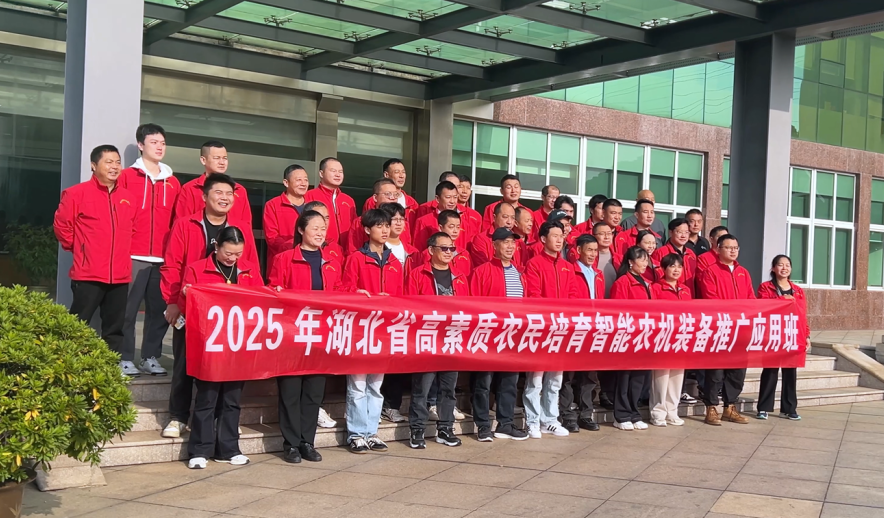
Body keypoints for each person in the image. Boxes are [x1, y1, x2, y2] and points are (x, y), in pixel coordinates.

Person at [160, 173, 259, 439]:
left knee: (225, 367)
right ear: (204, 196)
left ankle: (221, 419)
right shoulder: (185, 224)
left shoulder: (241, 228)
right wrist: (173, 301)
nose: (224, 198)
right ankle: (178, 416)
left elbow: (251, 267)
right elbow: (172, 265)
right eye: (218, 192)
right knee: (184, 363)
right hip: (191, 309)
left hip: (231, 316)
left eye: (229, 194)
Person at [181, 226, 263, 469]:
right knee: (207, 398)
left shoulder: (249, 270)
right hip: (210, 344)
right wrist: (186, 295)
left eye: (238, 254)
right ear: (216, 246)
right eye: (228, 253)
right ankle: (199, 450)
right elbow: (185, 305)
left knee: (232, 399)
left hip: (238, 343)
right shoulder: (197, 269)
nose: (232, 258)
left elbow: (261, 299)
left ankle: (228, 449)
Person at [54, 144, 136, 377]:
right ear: (93, 165)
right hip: (88, 273)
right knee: (78, 323)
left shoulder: (128, 198)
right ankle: (69, 367)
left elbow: (133, 230)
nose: (114, 166)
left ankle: (110, 369)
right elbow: (62, 227)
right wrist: (81, 249)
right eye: (108, 162)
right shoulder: (76, 194)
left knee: (114, 328)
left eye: (118, 162)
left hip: (119, 275)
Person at [268, 211, 341, 464]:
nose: (320, 233)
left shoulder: (331, 261)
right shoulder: (284, 259)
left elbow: (340, 291)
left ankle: (307, 442)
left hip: (320, 334)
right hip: (292, 334)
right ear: (301, 230)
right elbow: (273, 289)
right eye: (315, 228)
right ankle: (290, 444)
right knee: (290, 391)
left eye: (323, 228)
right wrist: (276, 291)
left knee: (313, 392)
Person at [118, 124, 179, 376]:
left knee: (159, 311)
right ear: (141, 145)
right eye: (154, 142)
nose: (159, 147)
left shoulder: (173, 182)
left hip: (163, 258)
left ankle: (150, 357)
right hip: (133, 254)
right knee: (127, 311)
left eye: (162, 143)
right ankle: (124, 358)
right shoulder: (126, 177)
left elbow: (177, 220)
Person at [341, 209, 403, 453]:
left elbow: (402, 297)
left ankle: (371, 432)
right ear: (367, 230)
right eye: (379, 226)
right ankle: (356, 434)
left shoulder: (395, 261)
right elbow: (344, 289)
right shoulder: (356, 258)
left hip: (383, 331)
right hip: (360, 330)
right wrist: (358, 294)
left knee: (376, 386)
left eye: (387, 225)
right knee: (357, 385)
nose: (385, 230)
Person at [405, 232, 469, 448]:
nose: (449, 252)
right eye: (444, 248)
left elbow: (468, 309)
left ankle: (445, 429)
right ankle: (417, 430)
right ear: (431, 250)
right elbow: (410, 306)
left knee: (448, 389)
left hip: (451, 339)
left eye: (452, 248)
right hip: (427, 338)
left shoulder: (460, 276)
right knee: (422, 389)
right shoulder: (417, 274)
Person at [468, 228, 529, 442]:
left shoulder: (520, 273)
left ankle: (506, 424)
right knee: (483, 382)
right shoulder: (481, 271)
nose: (510, 246)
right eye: (505, 242)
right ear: (494, 245)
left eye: (513, 242)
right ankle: (483, 425)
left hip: (512, 336)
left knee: (509, 383)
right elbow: (473, 305)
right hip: (488, 336)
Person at [523, 221, 575, 438]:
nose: (559, 240)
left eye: (561, 236)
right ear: (543, 239)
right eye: (554, 236)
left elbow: (573, 296)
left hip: (561, 328)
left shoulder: (567, 266)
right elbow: (533, 294)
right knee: (535, 379)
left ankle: (550, 420)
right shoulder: (534, 264)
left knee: (555, 379)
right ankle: (532, 421)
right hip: (542, 328)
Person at [697, 234, 755, 426]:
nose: (733, 251)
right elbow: (710, 298)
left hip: (741, 329)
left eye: (735, 248)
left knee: (737, 371)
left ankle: (730, 407)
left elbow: (751, 299)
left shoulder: (743, 272)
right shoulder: (710, 271)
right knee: (716, 370)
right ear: (718, 249)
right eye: (728, 247)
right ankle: (711, 408)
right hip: (720, 327)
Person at [377, 203, 418, 424]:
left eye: (402, 219)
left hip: (405, 312)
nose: (399, 223)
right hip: (382, 313)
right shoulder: (377, 249)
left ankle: (391, 405)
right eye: (394, 220)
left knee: (398, 361)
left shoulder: (412, 251)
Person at [756, 254, 811, 421]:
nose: (784, 268)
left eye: (787, 265)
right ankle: (763, 408)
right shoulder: (765, 287)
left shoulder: (798, 290)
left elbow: (802, 315)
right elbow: (763, 306)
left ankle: (789, 408)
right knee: (770, 370)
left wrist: (806, 335)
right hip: (773, 333)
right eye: (780, 265)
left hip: (792, 334)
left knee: (790, 372)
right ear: (773, 268)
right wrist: (782, 299)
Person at [609, 246, 655, 431]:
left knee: (639, 379)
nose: (645, 263)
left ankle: (634, 413)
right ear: (630, 262)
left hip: (644, 336)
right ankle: (621, 415)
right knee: (625, 377)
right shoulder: (622, 283)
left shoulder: (647, 283)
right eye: (641, 259)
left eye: (646, 260)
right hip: (628, 337)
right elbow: (617, 312)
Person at [562, 234, 604, 432]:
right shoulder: (570, 270)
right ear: (578, 251)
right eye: (589, 250)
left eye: (595, 251)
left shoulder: (598, 274)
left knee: (589, 375)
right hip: (575, 327)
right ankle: (567, 414)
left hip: (593, 329)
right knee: (569, 375)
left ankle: (585, 414)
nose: (593, 254)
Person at [650, 254, 691, 427]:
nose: (676, 270)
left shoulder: (685, 289)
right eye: (672, 266)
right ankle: (658, 412)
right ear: (663, 268)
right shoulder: (656, 288)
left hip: (681, 336)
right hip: (663, 336)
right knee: (661, 375)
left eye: (679, 267)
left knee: (677, 375)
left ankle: (672, 411)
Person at [174, 141, 252, 225]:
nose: (222, 162)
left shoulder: (239, 190)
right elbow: (182, 223)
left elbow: (246, 225)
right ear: (203, 160)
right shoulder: (190, 188)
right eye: (216, 158)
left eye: (225, 158)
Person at [263, 164, 309, 270]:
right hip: (283, 262)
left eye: (306, 180)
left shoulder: (313, 205)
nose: (303, 183)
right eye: (298, 180)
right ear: (286, 183)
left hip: (309, 261)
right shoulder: (273, 205)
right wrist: (298, 247)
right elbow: (272, 238)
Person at [348, 178, 411, 254]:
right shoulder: (360, 222)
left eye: (395, 194)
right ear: (375, 198)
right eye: (388, 194)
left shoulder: (402, 223)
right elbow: (353, 251)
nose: (392, 198)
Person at [304, 157, 356, 248]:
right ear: (321, 173)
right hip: (321, 249)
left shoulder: (348, 200)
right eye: (333, 171)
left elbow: (354, 229)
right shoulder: (309, 196)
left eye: (340, 172)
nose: (338, 175)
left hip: (345, 252)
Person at [413, 181, 463, 251]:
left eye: (455, 197)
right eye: (448, 197)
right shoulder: (424, 221)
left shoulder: (462, 221)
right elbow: (418, 250)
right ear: (437, 198)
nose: (452, 201)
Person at [652, 218, 698, 293]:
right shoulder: (660, 252)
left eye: (686, 232)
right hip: (668, 295)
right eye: (680, 232)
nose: (683, 236)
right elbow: (656, 277)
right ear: (671, 232)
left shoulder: (691, 254)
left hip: (688, 295)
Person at [468, 201, 517, 268]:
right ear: (494, 218)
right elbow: (483, 267)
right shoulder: (481, 239)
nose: (509, 222)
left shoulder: (518, 240)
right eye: (505, 217)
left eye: (513, 218)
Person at [301, 201, 345, 267]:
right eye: (319, 217)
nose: (324, 221)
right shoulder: (290, 248)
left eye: (326, 218)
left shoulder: (336, 248)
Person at [593, 222, 619, 299]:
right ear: (594, 236)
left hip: (614, 303)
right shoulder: (589, 259)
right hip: (595, 302)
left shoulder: (619, 259)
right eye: (602, 234)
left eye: (609, 233)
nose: (606, 237)